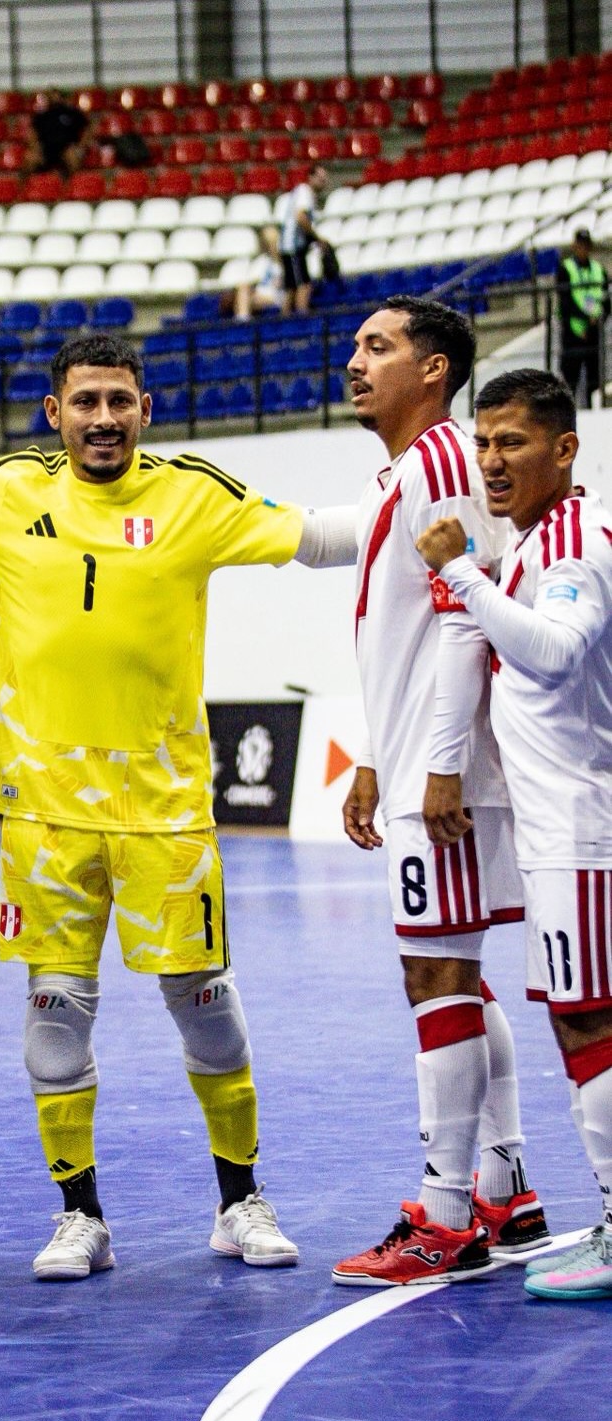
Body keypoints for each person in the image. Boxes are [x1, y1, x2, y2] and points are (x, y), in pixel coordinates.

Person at [0, 331, 364, 1281]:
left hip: (168, 811)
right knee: (55, 1015)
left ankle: (239, 1199)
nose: (103, 418)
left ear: (146, 410)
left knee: (205, 1008)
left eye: (120, 400)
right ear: (54, 412)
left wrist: (440, 499)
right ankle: (82, 1217)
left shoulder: (197, 493)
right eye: (86, 402)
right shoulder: (6, 487)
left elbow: (320, 536)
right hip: (43, 812)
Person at [331, 297, 549, 1287]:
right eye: (356, 344)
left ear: (434, 370)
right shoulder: (410, 471)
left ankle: (445, 1214)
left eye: (378, 346)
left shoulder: (444, 463)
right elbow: (406, 630)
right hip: (423, 755)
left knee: (436, 977)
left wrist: (441, 760)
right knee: (453, 969)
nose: (355, 358)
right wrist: (377, 753)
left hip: (449, 768)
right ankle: (503, 1186)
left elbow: (465, 617)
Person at [417, 368, 612, 1302]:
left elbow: (559, 650)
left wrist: (459, 571)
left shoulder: (574, 541)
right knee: (583, 1021)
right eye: (483, 442)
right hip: (563, 826)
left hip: (580, 826)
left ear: (563, 449)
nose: (492, 461)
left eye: (514, 443)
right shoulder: (539, 540)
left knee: (589, 1021)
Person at [556, 227, 610, 408]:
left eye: (586, 245)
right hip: (574, 332)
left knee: (594, 378)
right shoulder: (566, 269)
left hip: (594, 332)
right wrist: (585, 319)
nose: (583, 249)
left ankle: (592, 409)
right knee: (571, 378)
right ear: (574, 246)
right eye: (580, 245)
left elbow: (606, 300)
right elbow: (565, 302)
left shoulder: (598, 270)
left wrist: (596, 319)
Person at [279, 164, 329, 316]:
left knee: (292, 287)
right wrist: (316, 237)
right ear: (311, 178)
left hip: (289, 245)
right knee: (303, 285)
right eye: (320, 179)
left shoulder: (303, 193)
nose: (323, 183)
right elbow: (300, 216)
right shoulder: (305, 193)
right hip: (293, 246)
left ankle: (285, 319)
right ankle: (302, 318)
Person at [24, 88, 89, 178]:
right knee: (30, 158)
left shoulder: (72, 113)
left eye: (56, 95)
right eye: (51, 96)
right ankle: (26, 187)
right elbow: (33, 132)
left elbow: (87, 128)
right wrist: (35, 147)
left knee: (73, 157)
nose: (54, 98)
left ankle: (72, 186)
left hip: (66, 148)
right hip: (45, 149)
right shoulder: (42, 115)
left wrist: (80, 147)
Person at [231, 225, 286, 321]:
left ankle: (243, 324)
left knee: (243, 300)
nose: (272, 246)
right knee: (243, 290)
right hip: (260, 295)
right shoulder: (262, 261)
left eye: (274, 242)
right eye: (269, 243)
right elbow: (250, 281)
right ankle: (243, 322)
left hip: (277, 297)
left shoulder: (286, 263)